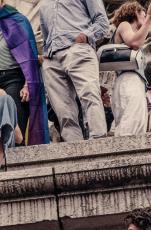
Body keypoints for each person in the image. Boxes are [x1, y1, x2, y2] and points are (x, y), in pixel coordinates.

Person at [0, 0, 49, 145]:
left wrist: (27, 84)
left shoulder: (18, 20)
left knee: (15, 126)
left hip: (13, 79)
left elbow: (29, 55)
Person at [39, 0, 109, 141]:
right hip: (52, 59)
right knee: (63, 112)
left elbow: (102, 22)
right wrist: (46, 54)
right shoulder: (44, 4)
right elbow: (45, 36)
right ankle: (74, 148)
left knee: (89, 94)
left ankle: (99, 141)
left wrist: (85, 36)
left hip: (78, 49)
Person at [109, 1, 151, 136]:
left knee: (135, 126)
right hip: (129, 80)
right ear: (135, 12)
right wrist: (150, 17)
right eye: (143, 14)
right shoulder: (124, 25)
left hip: (131, 82)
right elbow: (135, 42)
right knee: (131, 125)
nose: (145, 17)